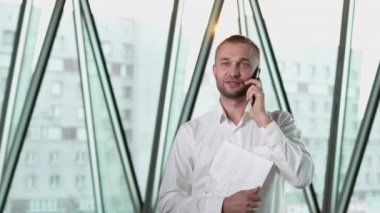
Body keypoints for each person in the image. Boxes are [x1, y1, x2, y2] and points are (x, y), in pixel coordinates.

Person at [157, 35, 314, 213]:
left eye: (244, 64)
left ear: (257, 74)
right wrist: (220, 206)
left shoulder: (279, 122)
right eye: (225, 63)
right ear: (214, 70)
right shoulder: (191, 132)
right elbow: (166, 205)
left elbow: (302, 178)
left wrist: (264, 120)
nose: (233, 72)